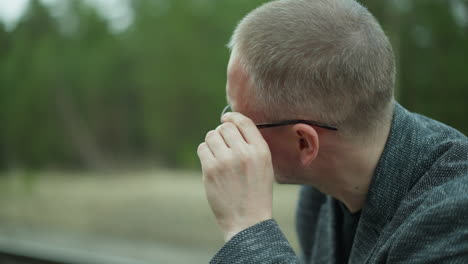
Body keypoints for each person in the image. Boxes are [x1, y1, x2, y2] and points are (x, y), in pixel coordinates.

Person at [196, 0, 468, 263]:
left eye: (240, 121)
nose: (225, 129)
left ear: (304, 143)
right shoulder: (321, 196)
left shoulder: (454, 218)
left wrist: (247, 230)